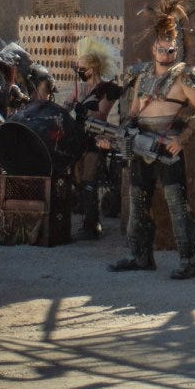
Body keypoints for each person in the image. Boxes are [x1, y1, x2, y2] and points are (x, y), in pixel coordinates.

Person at [106, 0, 195, 280]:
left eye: (170, 50)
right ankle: (139, 255)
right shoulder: (142, 75)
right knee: (137, 201)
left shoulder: (185, 75)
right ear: (153, 49)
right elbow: (133, 113)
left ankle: (189, 260)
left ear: (177, 50)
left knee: (177, 204)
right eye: (161, 49)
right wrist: (120, 133)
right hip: (141, 144)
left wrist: (182, 139)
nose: (165, 54)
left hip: (167, 146)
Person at [67, 35, 125, 240]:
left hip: (96, 138)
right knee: (77, 178)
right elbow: (66, 106)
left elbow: (101, 114)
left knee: (89, 178)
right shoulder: (81, 88)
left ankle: (93, 224)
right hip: (79, 137)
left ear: (92, 69)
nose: (79, 71)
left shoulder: (107, 89)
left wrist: (83, 110)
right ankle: (87, 219)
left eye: (82, 68)